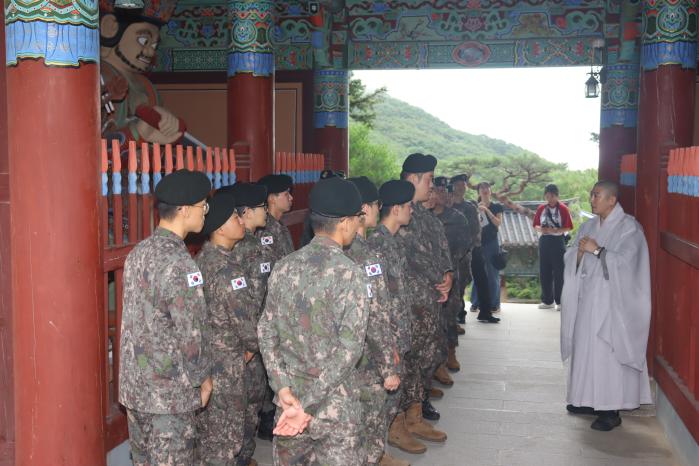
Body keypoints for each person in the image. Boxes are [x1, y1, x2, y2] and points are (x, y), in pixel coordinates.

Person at [257, 177, 371, 465]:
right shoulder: (350, 273)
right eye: (358, 218)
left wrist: (282, 388)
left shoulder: (284, 267)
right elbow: (350, 350)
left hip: (288, 404)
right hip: (334, 409)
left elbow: (266, 332)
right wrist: (308, 404)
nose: (359, 225)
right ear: (345, 222)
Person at [118, 169, 213, 465]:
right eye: (203, 206)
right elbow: (192, 333)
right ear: (184, 211)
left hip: (136, 389)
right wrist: (203, 379)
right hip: (169, 397)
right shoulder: (181, 264)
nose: (205, 213)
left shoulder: (138, 253)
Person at [561, 181, 652, 431]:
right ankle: (586, 399)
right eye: (591, 194)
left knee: (607, 354)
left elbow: (628, 265)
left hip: (613, 304)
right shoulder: (589, 225)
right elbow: (570, 254)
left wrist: (598, 250)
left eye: (597, 195)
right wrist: (579, 254)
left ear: (612, 200)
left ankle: (610, 409)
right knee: (586, 350)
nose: (592, 199)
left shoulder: (629, 228)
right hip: (588, 299)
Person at [195, 191, 258, 465]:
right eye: (235, 217)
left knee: (207, 439)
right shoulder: (228, 271)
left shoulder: (201, 261)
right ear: (220, 227)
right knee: (225, 442)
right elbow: (246, 324)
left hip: (203, 363)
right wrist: (255, 346)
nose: (241, 222)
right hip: (227, 368)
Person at [346, 177, 403, 466]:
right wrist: (389, 365)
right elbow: (378, 316)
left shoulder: (330, 252)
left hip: (340, 364)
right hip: (368, 361)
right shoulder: (367, 256)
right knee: (367, 429)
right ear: (365, 209)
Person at [369, 180, 427, 458]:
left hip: (398, 333)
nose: (412, 211)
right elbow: (377, 302)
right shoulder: (376, 245)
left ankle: (380, 451)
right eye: (408, 207)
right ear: (395, 209)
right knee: (379, 402)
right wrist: (388, 341)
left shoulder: (392, 242)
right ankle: (375, 455)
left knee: (390, 400)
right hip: (385, 336)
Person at [397, 153, 450, 443]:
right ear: (413, 178)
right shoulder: (397, 209)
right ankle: (399, 423)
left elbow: (440, 249)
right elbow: (412, 255)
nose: (431, 186)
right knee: (406, 363)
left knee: (423, 359)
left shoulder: (425, 215)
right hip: (408, 303)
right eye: (428, 179)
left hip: (429, 301)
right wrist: (437, 277)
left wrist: (447, 275)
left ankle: (414, 417)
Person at [225, 182, 273, 466]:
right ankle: (241, 457)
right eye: (260, 208)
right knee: (245, 403)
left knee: (249, 403)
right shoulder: (245, 249)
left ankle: (244, 454)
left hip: (252, 337)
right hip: (247, 341)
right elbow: (247, 302)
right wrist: (251, 342)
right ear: (245, 213)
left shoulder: (251, 244)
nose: (265, 212)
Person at [99, 1, 183, 145]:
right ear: (110, 28)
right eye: (144, 40)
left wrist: (170, 128)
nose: (150, 51)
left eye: (154, 45)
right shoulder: (97, 76)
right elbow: (87, 143)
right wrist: (136, 133)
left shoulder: (147, 87)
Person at [432, 177, 470, 373]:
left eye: (445, 191)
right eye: (438, 190)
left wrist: (446, 267)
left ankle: (450, 352)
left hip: (450, 274)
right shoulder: (423, 218)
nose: (442, 195)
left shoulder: (457, 218)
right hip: (428, 276)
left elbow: (463, 246)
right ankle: (436, 363)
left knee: (449, 315)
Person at [533, 184, 574, 310]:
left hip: (558, 240)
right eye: (547, 196)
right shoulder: (541, 208)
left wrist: (556, 230)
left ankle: (560, 301)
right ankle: (547, 300)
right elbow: (535, 225)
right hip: (544, 240)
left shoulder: (563, 209)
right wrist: (542, 229)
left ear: (557, 196)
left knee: (559, 271)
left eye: (552, 196)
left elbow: (568, 226)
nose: (549, 199)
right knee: (544, 270)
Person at [449, 174, 483, 324]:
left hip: (465, 253)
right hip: (447, 252)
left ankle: (459, 312)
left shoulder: (470, 207)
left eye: (464, 185)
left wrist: (470, 247)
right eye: (459, 185)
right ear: (453, 187)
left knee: (461, 282)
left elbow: (476, 230)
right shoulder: (446, 206)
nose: (462, 188)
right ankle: (451, 314)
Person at [470, 181, 504, 315]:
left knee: (493, 273)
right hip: (478, 243)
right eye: (481, 188)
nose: (484, 190)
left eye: (486, 188)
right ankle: (475, 302)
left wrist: (487, 210)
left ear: (490, 190)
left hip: (492, 242)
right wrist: (479, 211)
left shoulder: (497, 206)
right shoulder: (474, 206)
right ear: (478, 192)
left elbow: (498, 223)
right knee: (477, 272)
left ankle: (494, 304)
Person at [256, 174, 295, 260]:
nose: (291, 197)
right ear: (272, 199)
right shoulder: (265, 230)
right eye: (286, 194)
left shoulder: (279, 225)